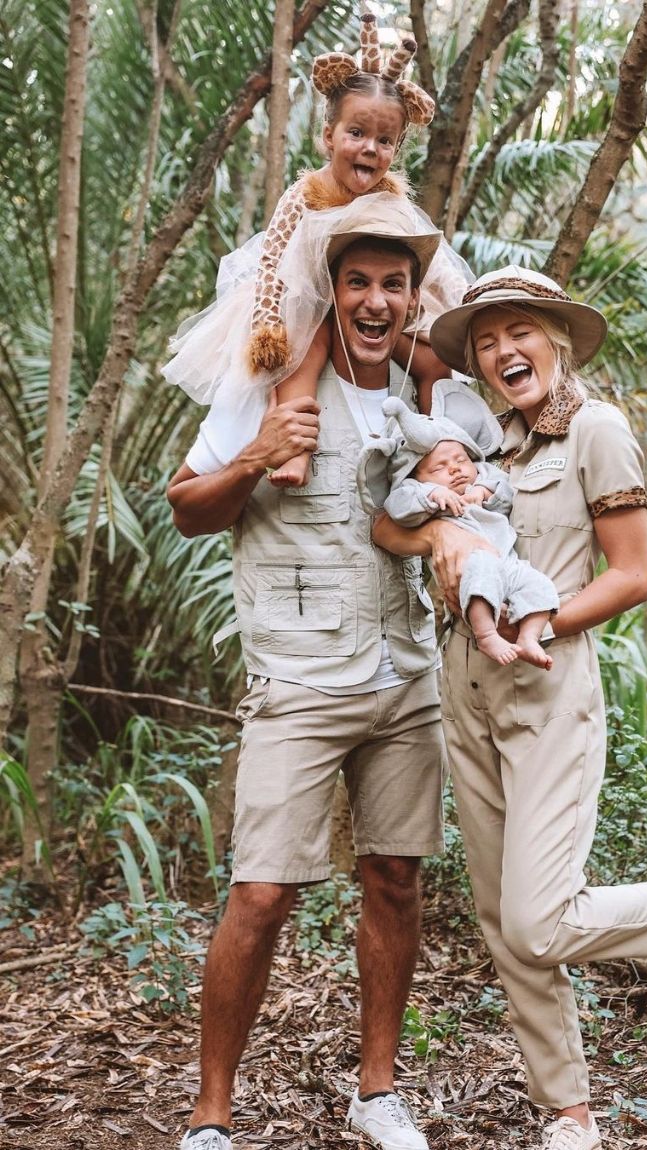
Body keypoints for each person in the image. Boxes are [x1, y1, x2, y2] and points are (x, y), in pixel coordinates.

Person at [373, 265, 647, 1150]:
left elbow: (632, 574)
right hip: (463, 692)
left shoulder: (596, 430)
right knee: (502, 924)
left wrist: (535, 615)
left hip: (547, 687)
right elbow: (387, 523)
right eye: (484, 339)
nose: (503, 350)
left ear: (554, 337)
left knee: (537, 918)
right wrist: (438, 528)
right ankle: (568, 1112)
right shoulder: (475, 443)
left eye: (519, 332)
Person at [166, 197, 450, 1150]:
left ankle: (377, 1091)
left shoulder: (423, 393)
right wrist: (256, 455)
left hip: (406, 676)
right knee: (261, 891)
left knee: (396, 877)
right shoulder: (271, 380)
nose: (376, 301)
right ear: (331, 291)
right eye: (359, 281)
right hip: (298, 679)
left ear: (413, 299)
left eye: (393, 285)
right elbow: (187, 508)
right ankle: (211, 1116)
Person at [163, 11, 470, 488]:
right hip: (301, 300)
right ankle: (296, 450)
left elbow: (436, 265)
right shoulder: (305, 193)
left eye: (384, 140)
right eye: (357, 134)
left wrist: (464, 311)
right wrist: (269, 322)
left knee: (434, 361)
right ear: (329, 137)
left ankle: (440, 448)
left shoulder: (391, 198)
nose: (370, 148)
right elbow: (271, 258)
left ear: (397, 147)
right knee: (304, 347)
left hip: (368, 307)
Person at [358, 382, 558, 668]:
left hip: (508, 562)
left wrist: (483, 492)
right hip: (473, 563)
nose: (454, 469)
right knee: (481, 572)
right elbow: (398, 506)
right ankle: (486, 633)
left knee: (539, 585)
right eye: (439, 468)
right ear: (416, 477)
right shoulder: (420, 493)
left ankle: (529, 636)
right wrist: (432, 495)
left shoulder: (484, 476)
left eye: (461, 460)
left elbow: (503, 488)